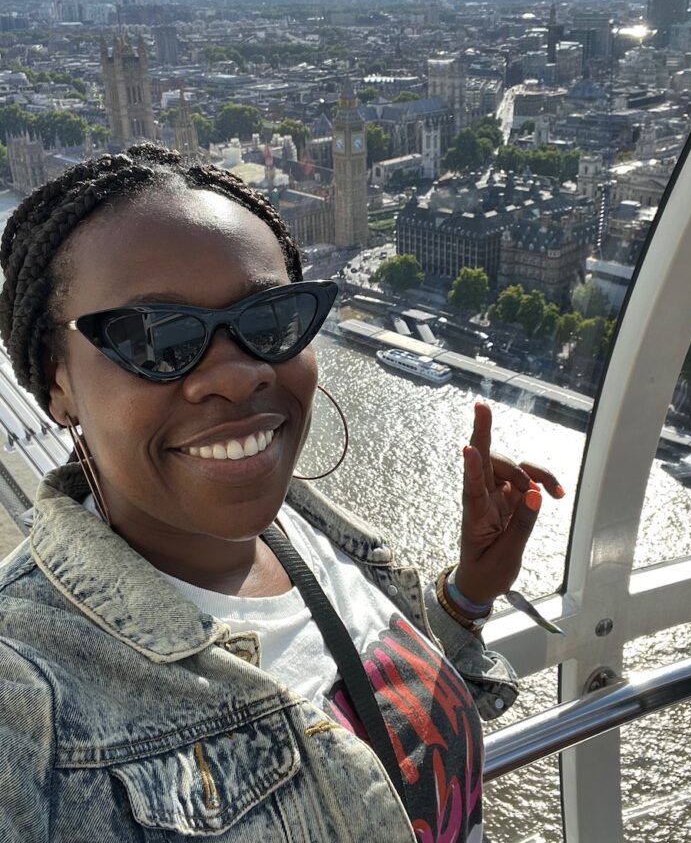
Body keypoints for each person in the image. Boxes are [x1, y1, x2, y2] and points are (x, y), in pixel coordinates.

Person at [0, 146, 562, 842]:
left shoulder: (310, 530)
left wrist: (468, 595)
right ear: (57, 382)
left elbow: (388, 716)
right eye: (155, 338)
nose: (235, 376)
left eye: (269, 320)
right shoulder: (24, 697)